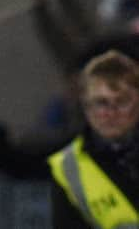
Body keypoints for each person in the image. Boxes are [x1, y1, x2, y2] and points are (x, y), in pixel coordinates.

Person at [48, 50, 139, 228]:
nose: (110, 113)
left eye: (121, 101)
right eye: (101, 102)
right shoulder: (68, 169)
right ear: (86, 105)